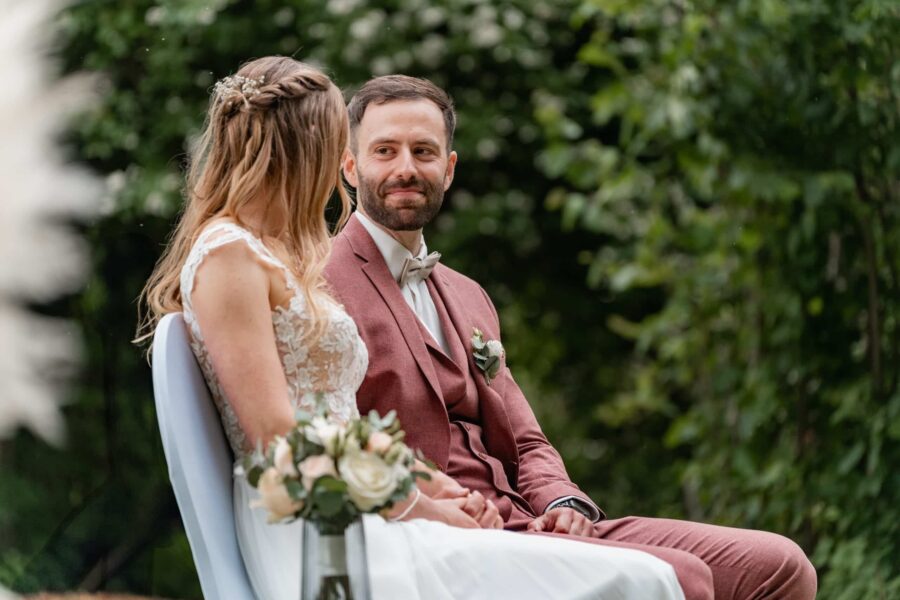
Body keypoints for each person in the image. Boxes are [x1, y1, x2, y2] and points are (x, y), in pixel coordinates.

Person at [137, 56, 686, 600]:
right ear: (300, 151)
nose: (338, 171)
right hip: (323, 530)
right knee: (641, 579)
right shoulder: (228, 255)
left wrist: (435, 486)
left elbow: (336, 420)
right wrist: (423, 506)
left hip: (365, 512)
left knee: (652, 575)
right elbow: (283, 438)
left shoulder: (272, 256)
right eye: (334, 148)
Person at [324, 74, 819, 600]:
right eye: (385, 150)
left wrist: (563, 504)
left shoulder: (468, 295)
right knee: (680, 579)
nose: (406, 168)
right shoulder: (320, 282)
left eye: (424, 151)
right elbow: (330, 437)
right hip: (440, 536)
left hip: (532, 523)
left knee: (782, 567)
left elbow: (527, 439)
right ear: (351, 166)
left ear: (448, 170)